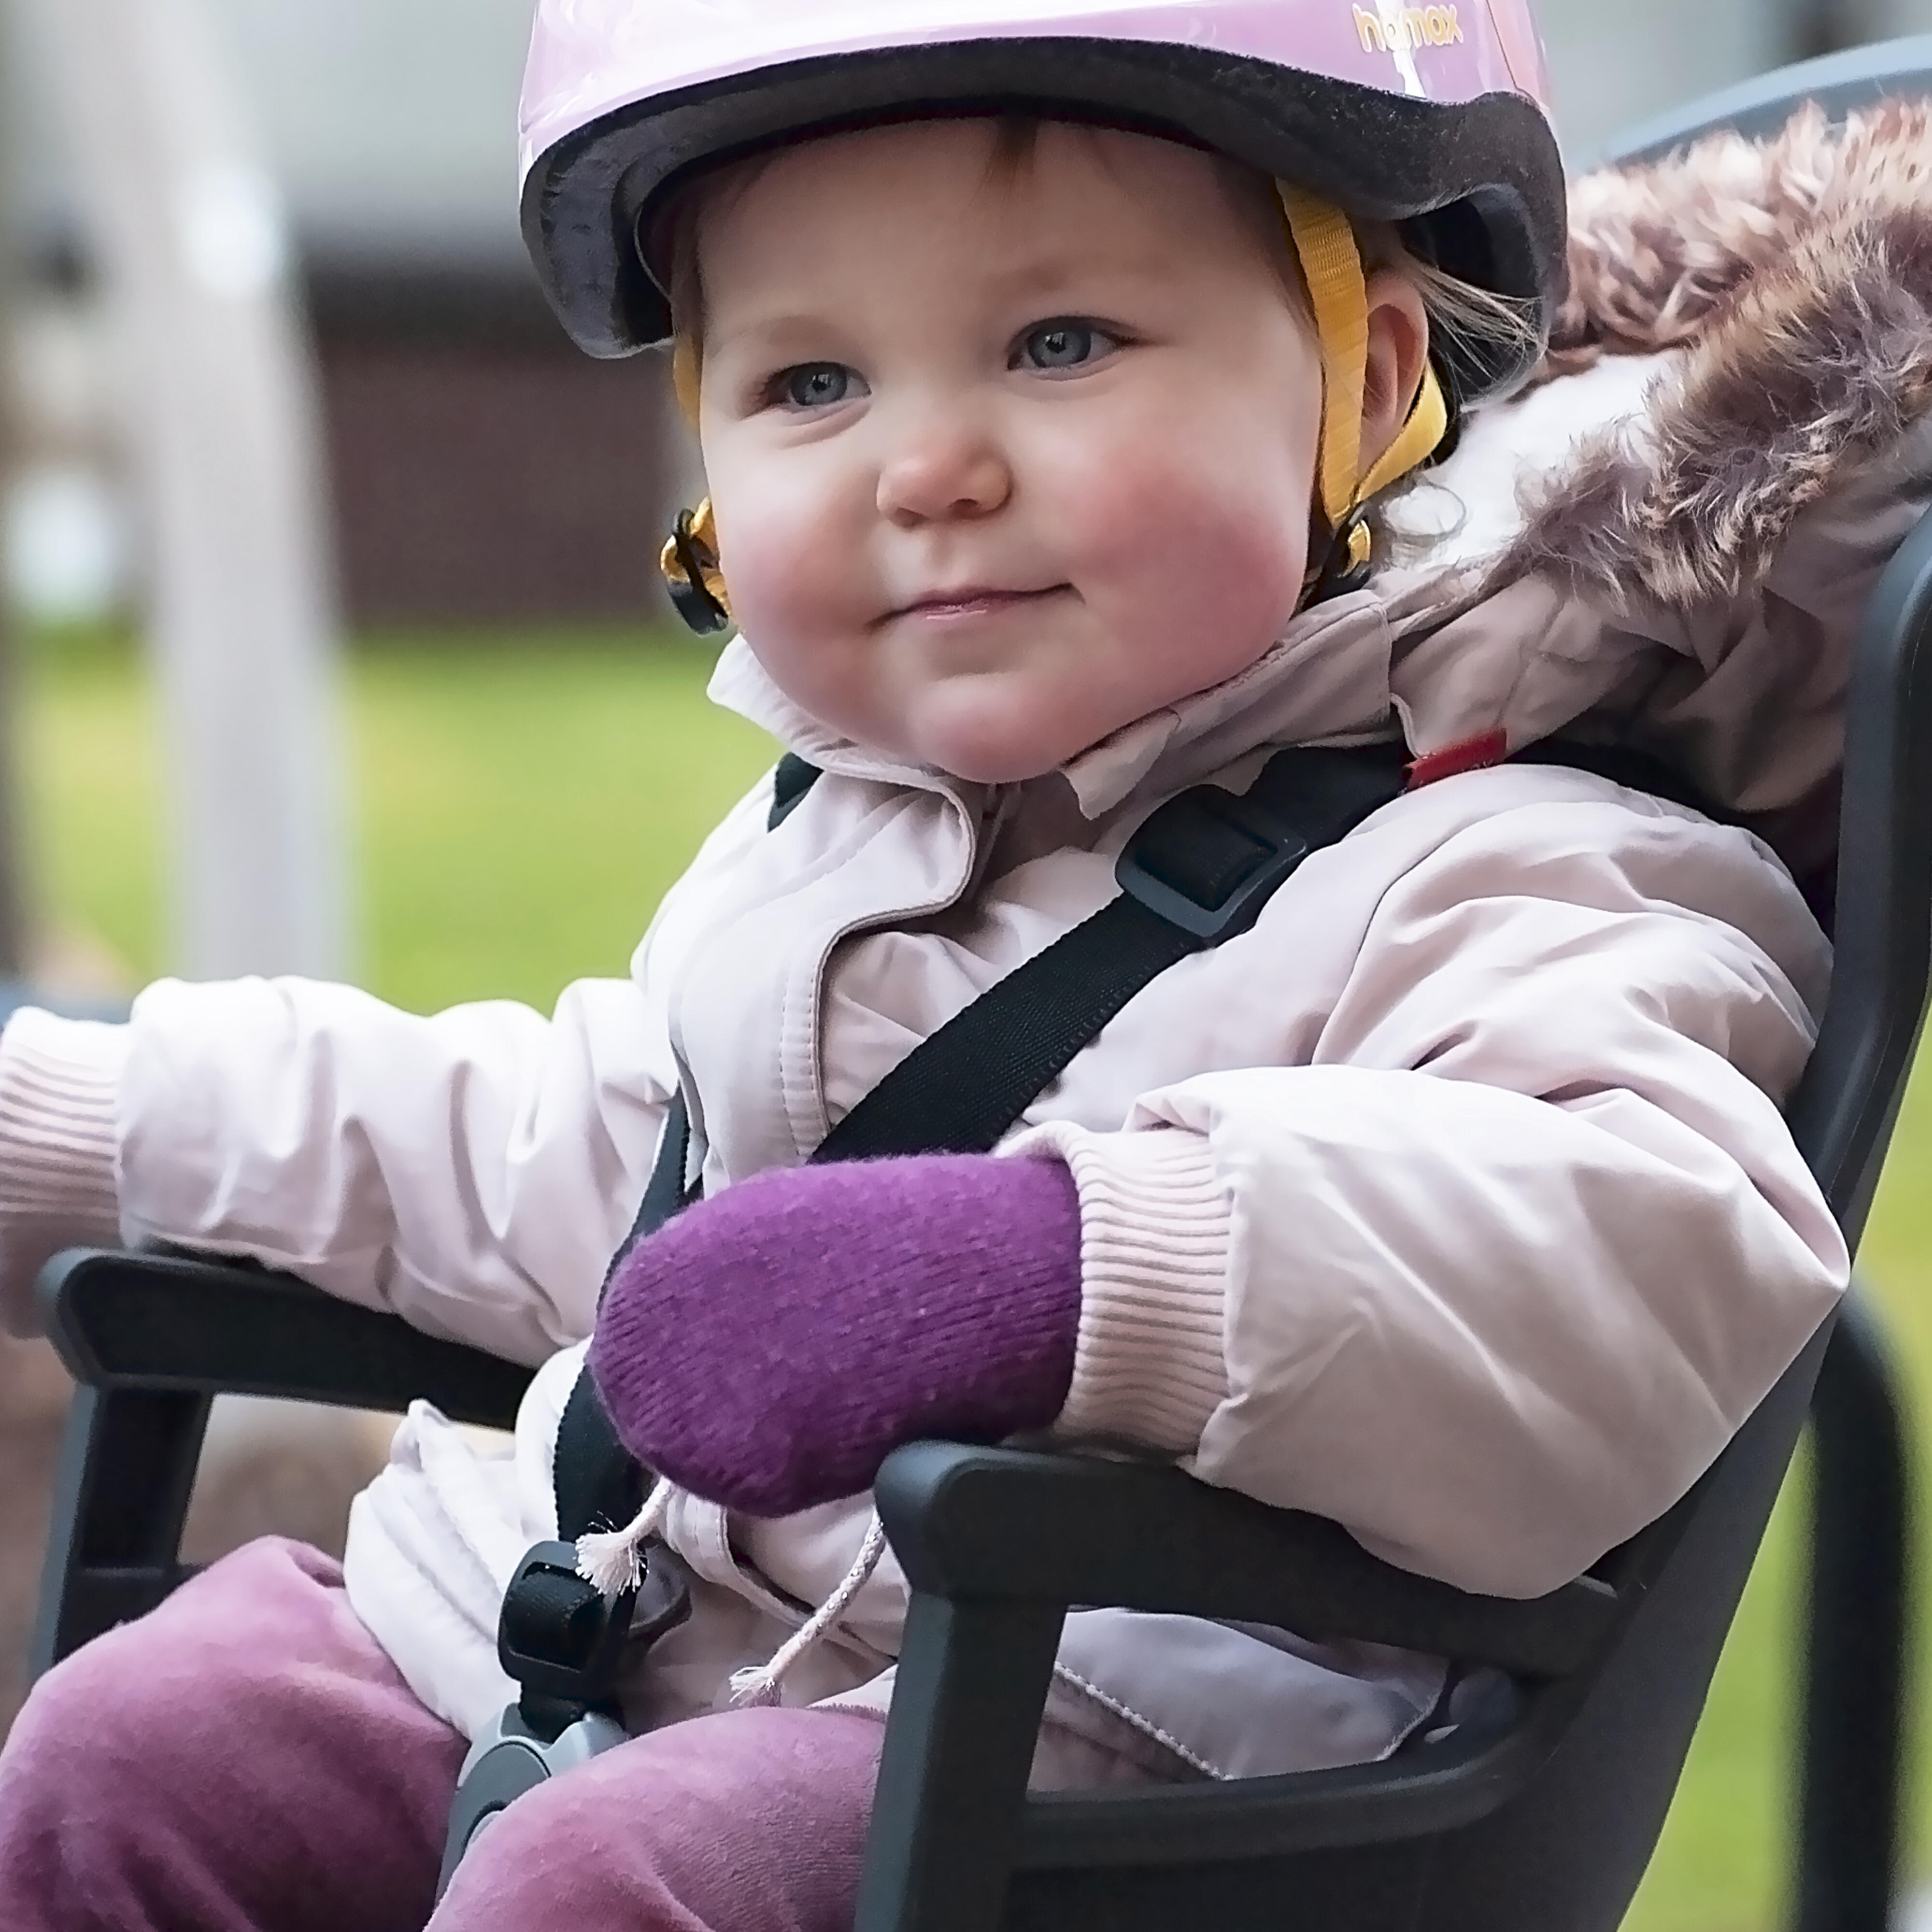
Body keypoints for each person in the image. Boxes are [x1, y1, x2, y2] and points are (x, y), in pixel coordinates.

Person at [0, 0, 1916, 1921]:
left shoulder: (1533, 855)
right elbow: (576, 1157)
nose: (924, 469)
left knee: (601, 1881)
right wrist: (83, 1117)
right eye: (810, 383)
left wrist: (1065, 1274)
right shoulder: (834, 846)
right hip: (603, 1621)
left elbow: (1622, 1258)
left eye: (1058, 344)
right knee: (138, 1756)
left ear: (1363, 377)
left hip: (1088, 1744)